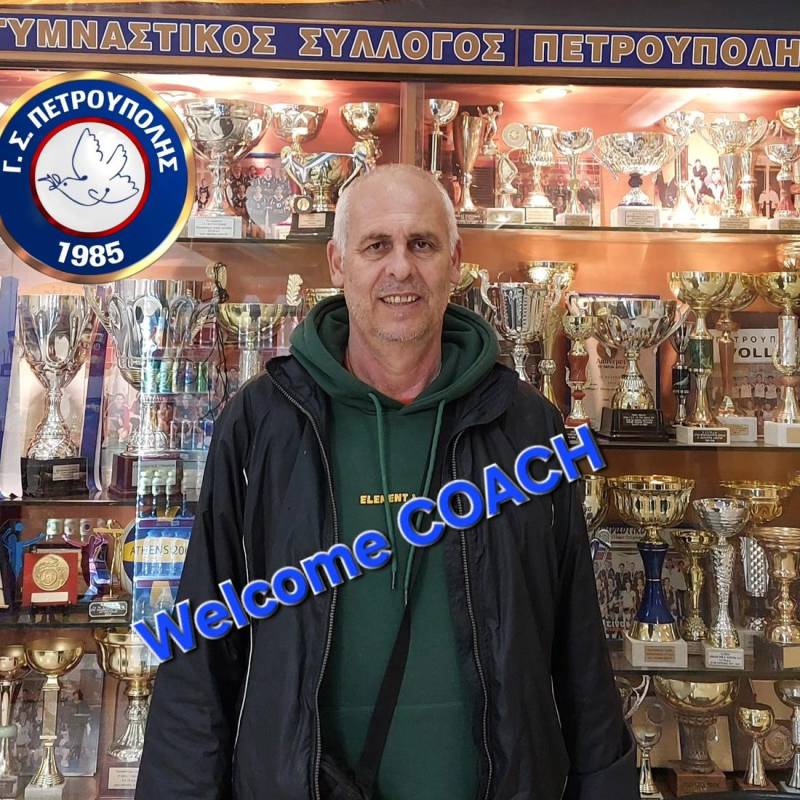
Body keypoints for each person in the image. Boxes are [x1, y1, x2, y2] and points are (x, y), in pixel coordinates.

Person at [136, 164, 635, 800]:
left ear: (455, 262)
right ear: (337, 263)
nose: (401, 267)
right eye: (377, 245)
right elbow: (202, 642)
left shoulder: (526, 424)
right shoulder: (265, 421)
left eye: (421, 244)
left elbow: (577, 639)